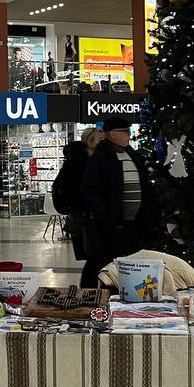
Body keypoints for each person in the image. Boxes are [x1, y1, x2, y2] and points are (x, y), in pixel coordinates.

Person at [81, 117, 156, 288]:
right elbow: (90, 190)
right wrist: (104, 217)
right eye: (125, 131)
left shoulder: (132, 154)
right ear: (113, 134)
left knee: (130, 264)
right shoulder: (101, 158)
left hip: (134, 224)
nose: (129, 135)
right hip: (111, 224)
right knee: (108, 266)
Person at [52, 126, 104, 264]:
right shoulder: (77, 163)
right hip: (83, 218)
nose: (104, 142)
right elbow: (69, 189)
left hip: (89, 217)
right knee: (93, 260)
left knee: (95, 260)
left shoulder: (98, 160)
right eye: (100, 139)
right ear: (90, 141)